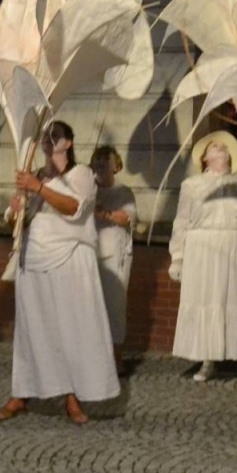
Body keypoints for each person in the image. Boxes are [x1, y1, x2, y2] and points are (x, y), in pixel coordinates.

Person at [0, 121, 117, 425]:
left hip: (69, 258)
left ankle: (71, 396)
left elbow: (73, 207)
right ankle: (21, 393)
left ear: (69, 143)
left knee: (67, 329)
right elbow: (17, 223)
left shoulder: (82, 174)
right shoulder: (34, 175)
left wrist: (38, 187)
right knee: (33, 328)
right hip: (33, 256)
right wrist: (16, 209)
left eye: (56, 136)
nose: (50, 141)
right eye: (46, 137)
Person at [169, 130, 237, 383]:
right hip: (204, 247)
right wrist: (177, 257)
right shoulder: (192, 185)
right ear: (204, 157)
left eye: (224, 147)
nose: (220, 150)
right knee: (208, 299)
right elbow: (182, 221)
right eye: (214, 147)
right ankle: (208, 358)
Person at [91, 144, 136, 358]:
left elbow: (126, 218)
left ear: (116, 166)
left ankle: (116, 357)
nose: (100, 163)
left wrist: (104, 213)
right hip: (89, 254)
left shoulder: (123, 191)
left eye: (105, 160)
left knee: (115, 307)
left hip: (115, 256)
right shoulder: (87, 189)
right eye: (96, 159)